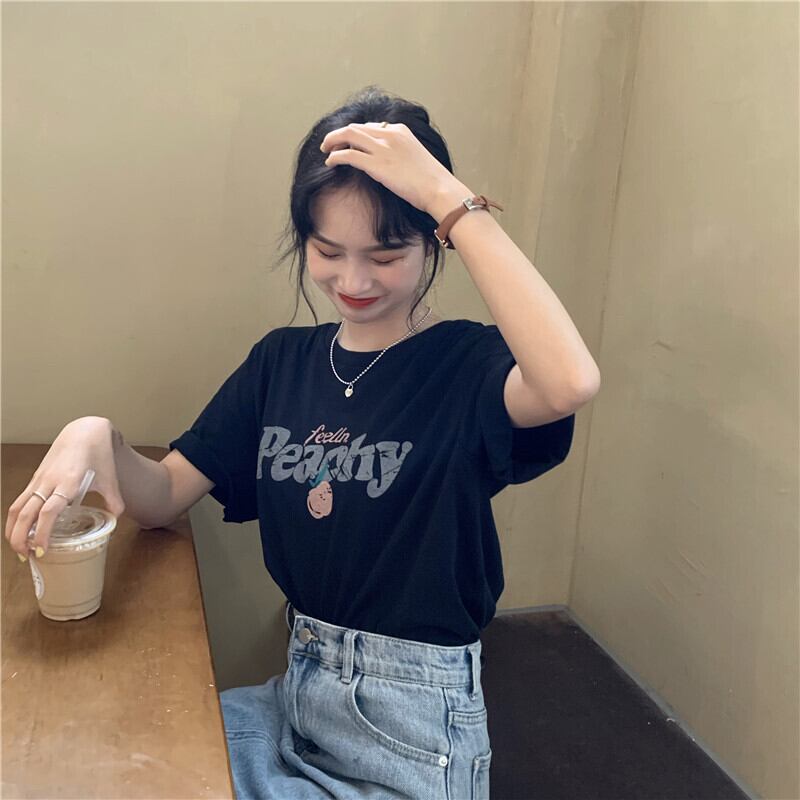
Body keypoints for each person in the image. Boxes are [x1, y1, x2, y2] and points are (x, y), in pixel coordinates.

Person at [6, 85, 597, 799]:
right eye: (328, 251)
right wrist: (94, 435)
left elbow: (569, 383)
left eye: (386, 254)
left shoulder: (468, 365)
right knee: (100, 763)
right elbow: (163, 498)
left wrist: (448, 197)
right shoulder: (280, 363)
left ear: (433, 241)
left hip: (412, 731)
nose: (353, 280)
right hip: (294, 697)